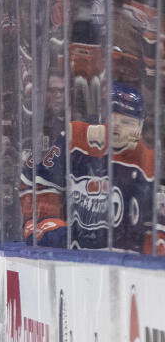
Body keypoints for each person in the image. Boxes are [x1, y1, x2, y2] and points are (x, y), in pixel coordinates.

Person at [20, 81, 159, 254]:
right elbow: (36, 179)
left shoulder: (148, 163)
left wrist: (150, 256)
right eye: (113, 117)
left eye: (127, 122)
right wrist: (47, 226)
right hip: (73, 262)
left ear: (139, 127)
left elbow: (157, 224)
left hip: (124, 267)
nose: (117, 126)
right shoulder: (76, 138)